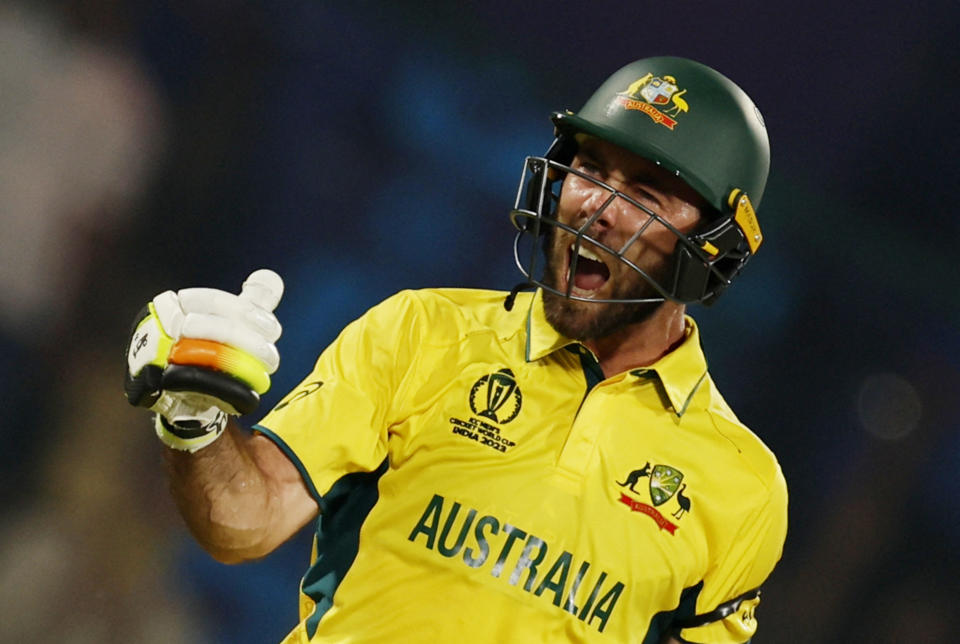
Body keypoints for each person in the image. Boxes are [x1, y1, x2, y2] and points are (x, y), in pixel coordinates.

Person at [125, 56, 787, 644]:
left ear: (714, 250)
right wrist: (194, 423)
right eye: (588, 168)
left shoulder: (743, 489)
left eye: (644, 192)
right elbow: (245, 522)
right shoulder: (423, 334)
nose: (595, 206)